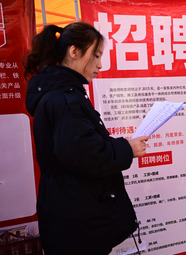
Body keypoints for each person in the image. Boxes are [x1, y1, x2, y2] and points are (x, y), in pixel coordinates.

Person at [24, 22, 148, 255]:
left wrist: (119, 146)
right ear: (74, 52)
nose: (100, 64)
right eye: (97, 55)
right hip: (77, 219)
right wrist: (126, 149)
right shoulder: (65, 99)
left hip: (68, 212)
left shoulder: (59, 94)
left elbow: (81, 144)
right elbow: (85, 154)